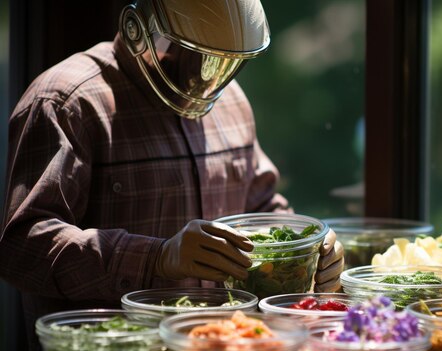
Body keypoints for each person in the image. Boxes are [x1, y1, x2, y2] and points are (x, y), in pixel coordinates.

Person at [0, 0, 344, 349]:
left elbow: (261, 207)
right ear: (139, 28)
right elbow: (21, 248)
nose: (202, 76)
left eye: (223, 63)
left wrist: (307, 249)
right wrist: (158, 257)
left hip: (224, 341)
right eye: (188, 53)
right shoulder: (65, 102)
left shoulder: (231, 103)